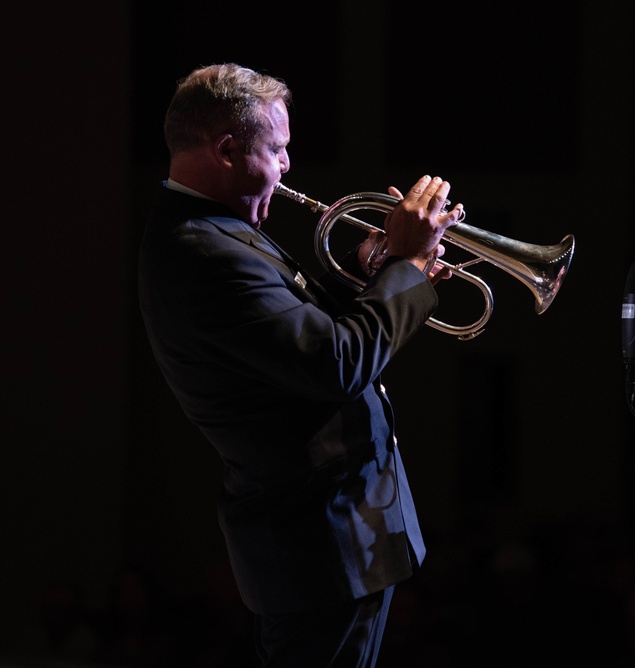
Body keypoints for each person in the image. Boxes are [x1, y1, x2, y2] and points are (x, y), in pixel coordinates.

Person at [137, 63, 464, 667]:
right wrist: (409, 268)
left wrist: (376, 268)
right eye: (278, 149)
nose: (289, 165)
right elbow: (337, 363)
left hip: (331, 541)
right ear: (228, 149)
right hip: (319, 544)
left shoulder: (217, 230)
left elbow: (300, 342)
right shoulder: (202, 249)